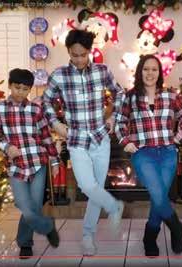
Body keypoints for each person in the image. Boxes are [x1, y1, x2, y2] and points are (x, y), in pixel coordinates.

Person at [42, 29, 124, 256]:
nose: (78, 59)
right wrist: (56, 124)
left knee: (95, 190)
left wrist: (113, 117)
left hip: (100, 138)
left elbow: (120, 94)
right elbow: (45, 102)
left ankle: (88, 236)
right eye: (74, 54)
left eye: (83, 54)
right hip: (76, 140)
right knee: (87, 186)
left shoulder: (102, 71)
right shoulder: (59, 75)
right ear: (68, 51)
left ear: (90, 51)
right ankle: (114, 206)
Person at [115, 54, 182, 257]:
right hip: (143, 153)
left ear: (160, 72)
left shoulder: (171, 96)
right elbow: (119, 122)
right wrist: (126, 142)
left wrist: (177, 138)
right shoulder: (129, 97)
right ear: (140, 71)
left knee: (160, 198)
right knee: (157, 194)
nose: (150, 73)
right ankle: (176, 226)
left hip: (167, 153)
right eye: (146, 69)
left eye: (154, 69)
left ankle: (150, 236)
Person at [0, 69, 60, 259]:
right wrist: (7, 147)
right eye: (17, 88)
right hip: (16, 166)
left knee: (35, 206)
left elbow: (46, 138)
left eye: (25, 89)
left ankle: (25, 243)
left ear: (29, 89)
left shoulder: (36, 110)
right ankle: (47, 227)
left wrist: (54, 162)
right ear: (10, 86)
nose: (20, 92)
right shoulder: (0, 108)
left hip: (38, 163)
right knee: (24, 205)